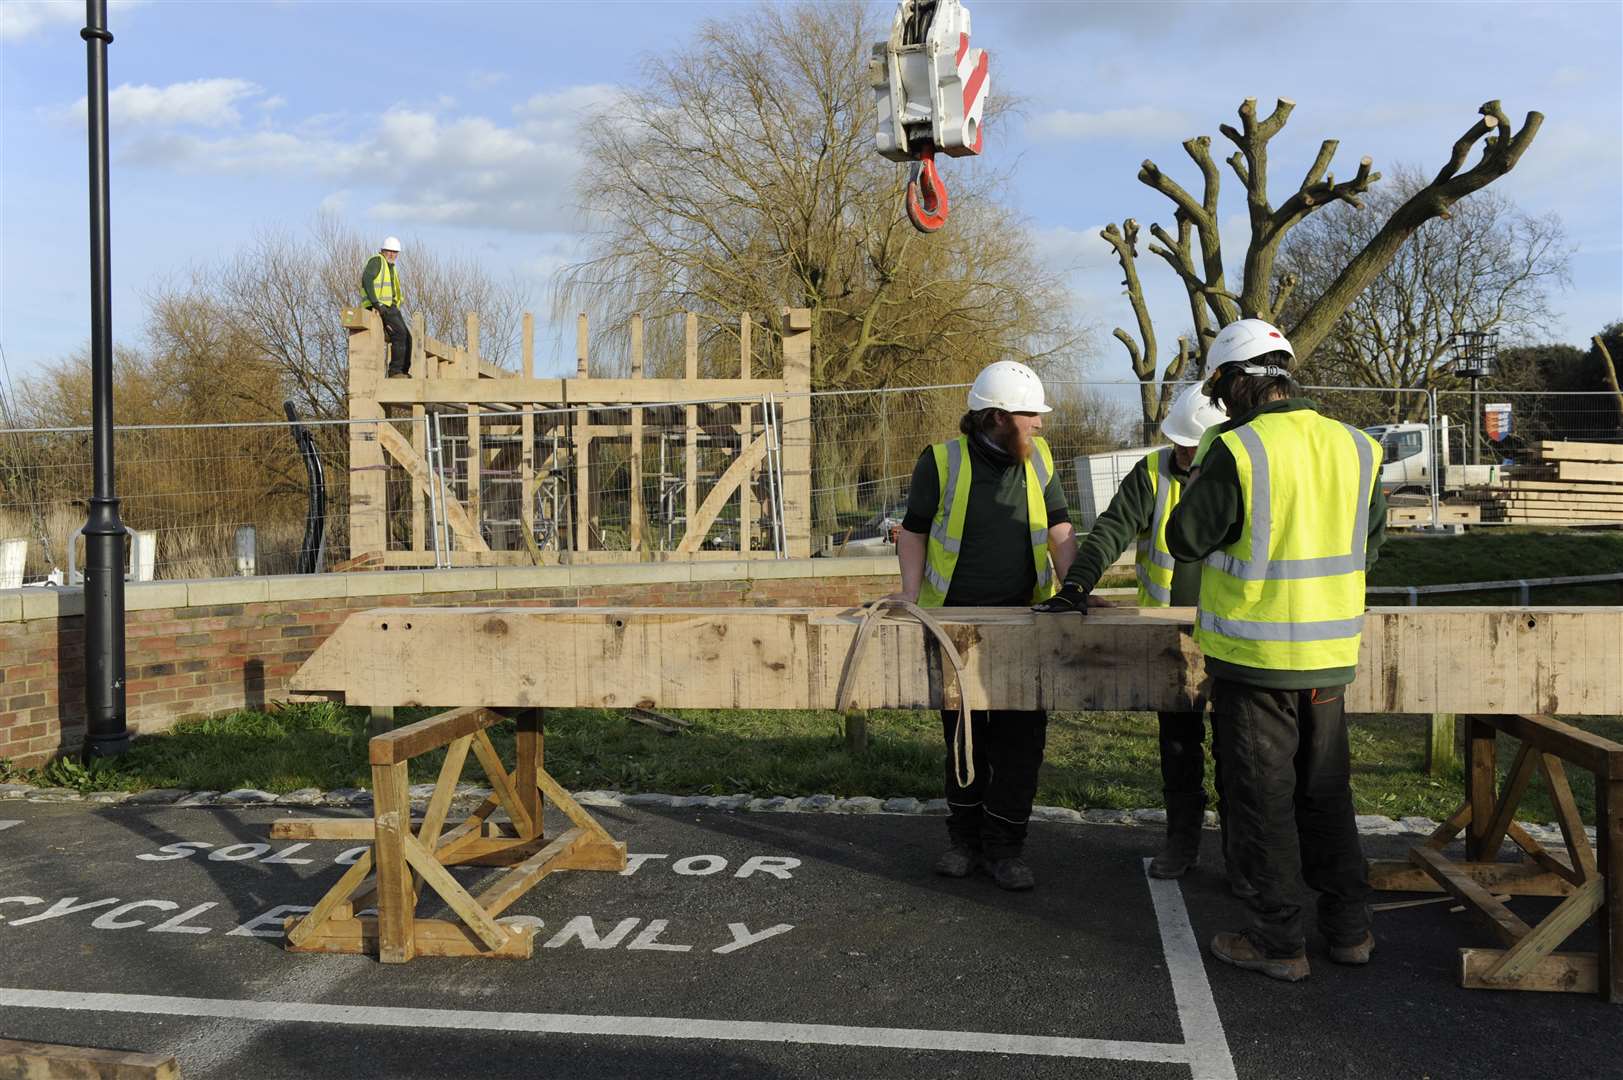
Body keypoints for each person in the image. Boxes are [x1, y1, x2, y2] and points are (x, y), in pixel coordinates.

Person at [1164, 318, 1387, 983]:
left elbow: (1185, 538)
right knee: (1325, 795)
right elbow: (1369, 546)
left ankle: (1277, 942)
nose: (1218, 404)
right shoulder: (1357, 447)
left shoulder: (1238, 451)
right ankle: (1349, 931)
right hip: (1328, 659)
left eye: (1218, 389)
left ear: (1235, 382)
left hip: (1255, 662)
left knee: (1262, 802)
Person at [1032, 384, 1252, 896]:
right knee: (1179, 743)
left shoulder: (1242, 471)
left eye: (1192, 446)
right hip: (1169, 634)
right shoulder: (1153, 473)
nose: (1181, 453)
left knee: (1241, 747)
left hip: (1237, 631)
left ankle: (1244, 854)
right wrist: (1077, 586)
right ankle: (1183, 840)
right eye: (1177, 442)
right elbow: (1111, 529)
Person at [891, 360, 1076, 891]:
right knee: (964, 739)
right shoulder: (941, 461)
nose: (1039, 424)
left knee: (1020, 744)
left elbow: (1060, 527)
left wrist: (1076, 589)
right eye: (1028, 415)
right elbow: (914, 532)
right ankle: (963, 841)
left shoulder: (1037, 459)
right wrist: (908, 593)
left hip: (1026, 619)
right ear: (997, 418)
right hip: (957, 626)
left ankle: (1006, 849)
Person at [360, 236, 411, 377]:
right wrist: (376, 304)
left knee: (407, 337)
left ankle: (403, 372)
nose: (392, 254)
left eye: (395, 252)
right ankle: (395, 372)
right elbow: (367, 279)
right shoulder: (377, 261)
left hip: (391, 307)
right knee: (399, 334)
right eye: (389, 251)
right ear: (382, 251)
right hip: (380, 306)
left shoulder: (391, 267)